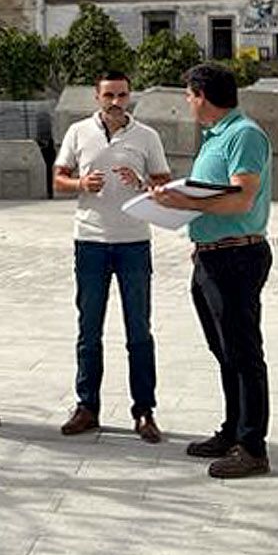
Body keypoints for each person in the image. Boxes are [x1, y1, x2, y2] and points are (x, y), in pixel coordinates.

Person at [148, 63, 275, 479]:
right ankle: (233, 431)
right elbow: (211, 191)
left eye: (188, 94)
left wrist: (183, 204)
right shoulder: (216, 137)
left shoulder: (244, 135)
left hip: (237, 256)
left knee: (244, 353)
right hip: (211, 255)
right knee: (224, 351)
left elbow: (240, 198)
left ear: (201, 95)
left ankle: (252, 446)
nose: (186, 102)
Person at [52, 72, 173, 443]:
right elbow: (58, 177)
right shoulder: (78, 132)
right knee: (89, 329)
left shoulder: (146, 136)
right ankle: (87, 406)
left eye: (121, 95)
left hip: (134, 241)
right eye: (109, 95)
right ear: (97, 96)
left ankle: (144, 411)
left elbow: (165, 186)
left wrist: (143, 184)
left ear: (129, 96)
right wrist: (80, 184)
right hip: (90, 240)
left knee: (139, 330)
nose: (115, 101)